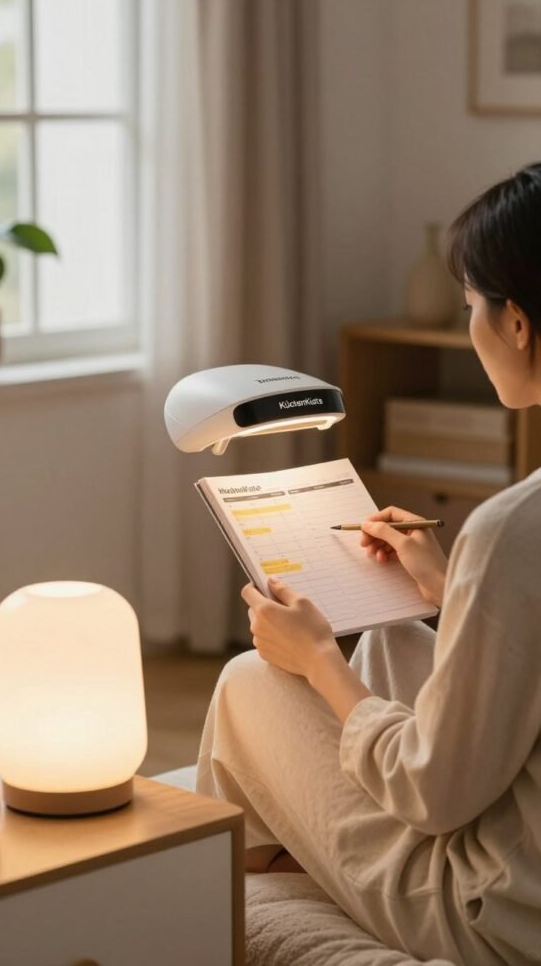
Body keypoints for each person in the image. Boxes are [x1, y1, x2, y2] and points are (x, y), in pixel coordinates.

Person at [196, 163, 541, 966]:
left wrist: (318, 660)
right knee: (390, 639)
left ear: (516, 322)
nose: (470, 328)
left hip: (501, 913)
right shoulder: (510, 539)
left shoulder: (512, 528)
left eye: (469, 309)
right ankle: (288, 858)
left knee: (250, 683)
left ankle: (252, 877)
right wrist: (447, 585)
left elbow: (434, 791)